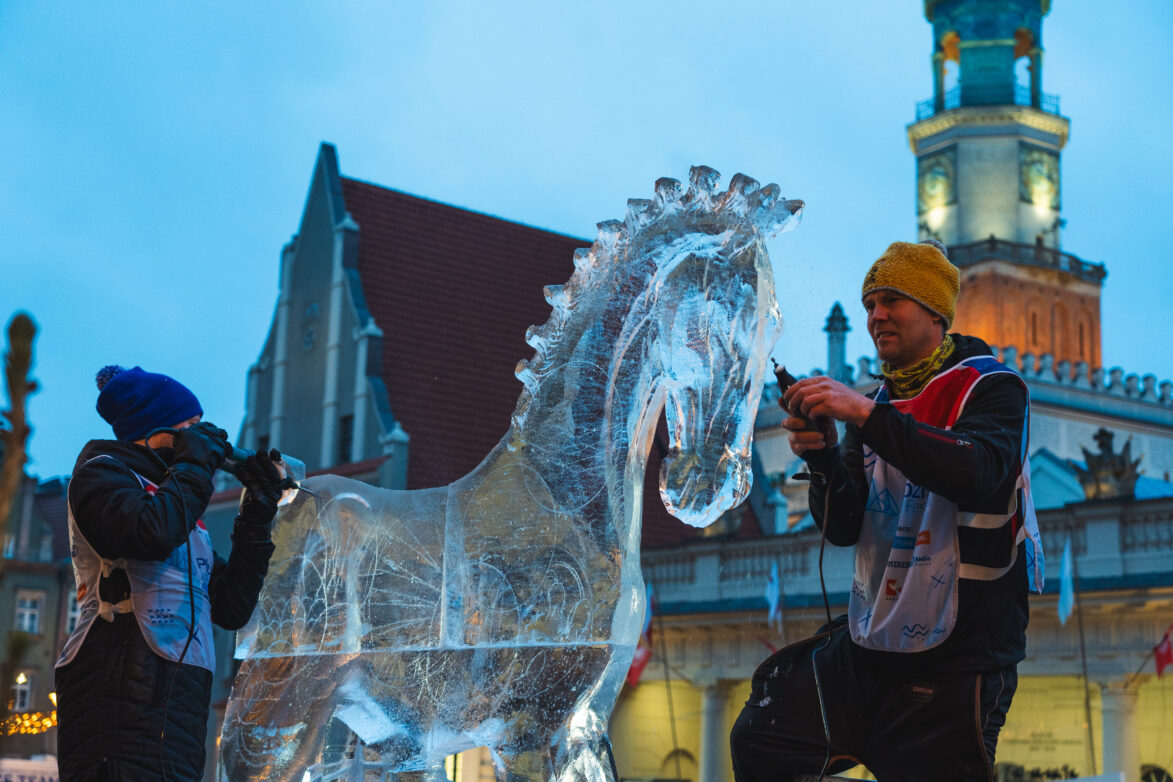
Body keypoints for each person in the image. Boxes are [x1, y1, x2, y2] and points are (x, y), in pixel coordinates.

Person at [730, 240, 1043, 781]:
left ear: (935, 311)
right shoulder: (876, 403)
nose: (876, 316)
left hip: (958, 654)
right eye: (870, 303)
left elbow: (978, 475)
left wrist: (863, 416)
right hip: (875, 639)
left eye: (892, 300)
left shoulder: (992, 387)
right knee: (765, 732)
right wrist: (825, 456)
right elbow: (845, 525)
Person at [55, 365, 285, 781]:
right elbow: (150, 533)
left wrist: (258, 508)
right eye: (191, 426)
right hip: (119, 702)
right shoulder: (101, 475)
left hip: (177, 711)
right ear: (156, 430)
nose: (203, 436)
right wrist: (196, 463)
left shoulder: (178, 509)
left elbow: (231, 607)